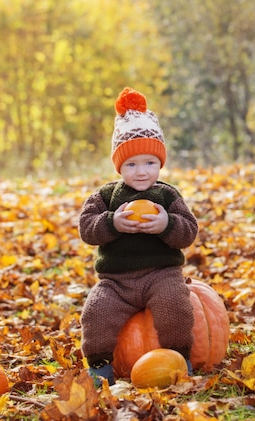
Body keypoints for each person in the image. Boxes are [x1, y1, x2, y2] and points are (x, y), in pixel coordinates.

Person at [78, 87, 198, 386]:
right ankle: (100, 366)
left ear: (160, 164)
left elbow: (189, 230)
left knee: (175, 306)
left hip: (161, 274)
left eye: (149, 163)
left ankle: (179, 358)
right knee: (96, 312)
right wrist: (113, 222)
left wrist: (166, 224)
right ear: (119, 166)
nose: (141, 172)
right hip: (117, 281)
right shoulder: (106, 196)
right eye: (131, 164)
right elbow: (87, 228)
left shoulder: (167, 195)